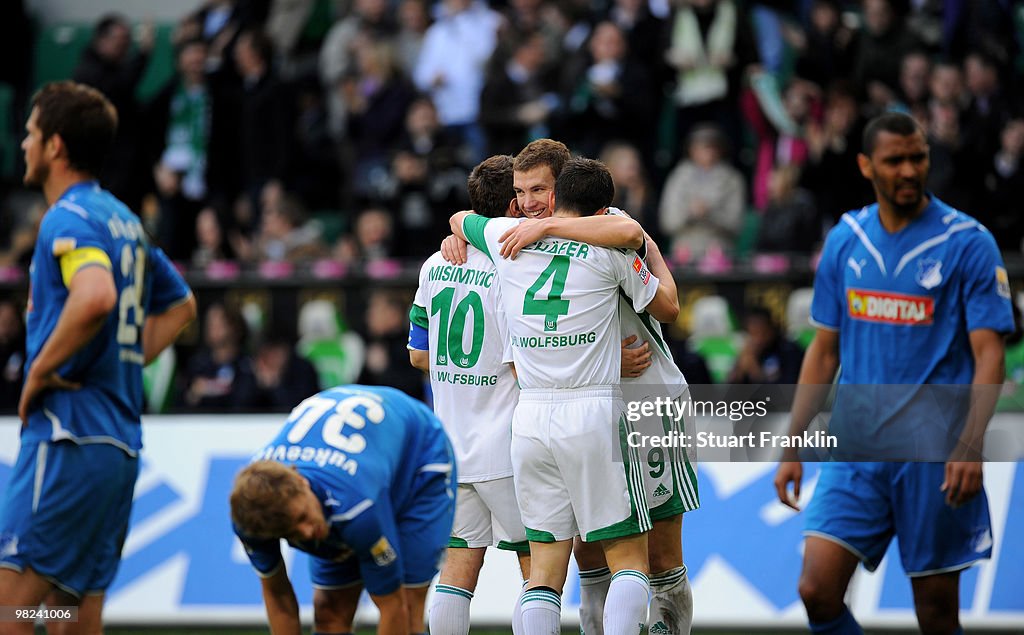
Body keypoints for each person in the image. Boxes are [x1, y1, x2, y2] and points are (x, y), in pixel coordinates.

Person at [774, 111, 1013, 634]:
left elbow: (990, 353)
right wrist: (793, 442)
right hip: (855, 450)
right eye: (894, 160)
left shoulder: (969, 242)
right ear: (866, 165)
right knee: (816, 590)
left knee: (934, 611)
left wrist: (971, 445)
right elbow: (824, 351)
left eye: (917, 157)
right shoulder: (846, 237)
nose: (908, 171)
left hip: (935, 454)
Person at [476, 138, 699, 635]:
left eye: (539, 189)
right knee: (586, 548)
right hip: (589, 405)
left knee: (659, 552)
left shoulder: (609, 226)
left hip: (648, 402)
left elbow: (660, 290)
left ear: (564, 186)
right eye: (522, 191)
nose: (529, 202)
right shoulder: (517, 241)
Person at [0, 81, 196, 634]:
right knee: (71, 614)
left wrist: (39, 372)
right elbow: (182, 304)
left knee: (9, 611)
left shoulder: (66, 219)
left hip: (68, 437)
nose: (23, 144)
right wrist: (123, 363)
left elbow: (95, 296)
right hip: (118, 448)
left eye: (32, 133)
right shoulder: (123, 221)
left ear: (56, 146)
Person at [408, 155, 531, 635]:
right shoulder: (513, 266)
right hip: (506, 447)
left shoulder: (436, 262)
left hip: (453, 445)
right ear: (510, 206)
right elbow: (524, 364)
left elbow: (419, 356)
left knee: (458, 572)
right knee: (538, 568)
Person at [230, 384, 456, 635]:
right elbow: (278, 595)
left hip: (418, 457)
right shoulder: (250, 516)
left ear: (302, 482)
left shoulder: (355, 510)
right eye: (291, 532)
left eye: (303, 517)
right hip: (364, 466)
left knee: (407, 604)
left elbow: (393, 607)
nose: (307, 533)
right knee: (330, 612)